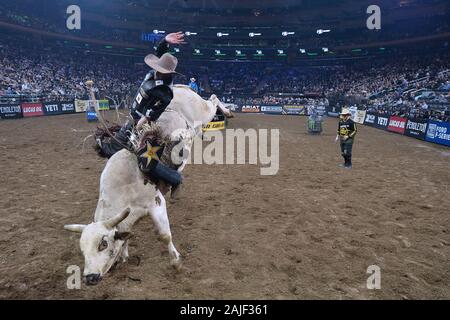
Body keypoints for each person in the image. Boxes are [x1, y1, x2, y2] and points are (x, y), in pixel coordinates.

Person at [95, 31, 186, 193]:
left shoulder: (165, 92)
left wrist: (136, 128)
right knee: (110, 149)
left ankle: (175, 178)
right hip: (133, 117)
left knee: (146, 161)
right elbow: (160, 50)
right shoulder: (157, 72)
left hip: (141, 124)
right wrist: (165, 40)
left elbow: (151, 115)